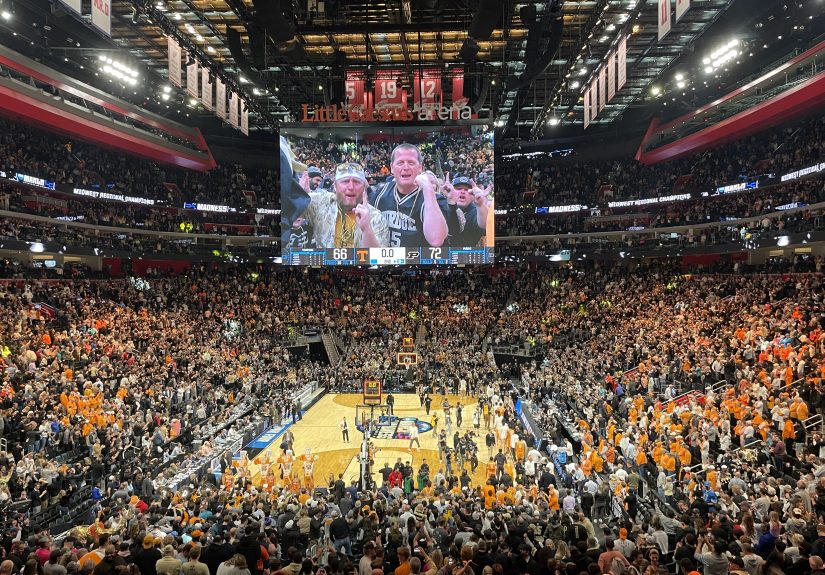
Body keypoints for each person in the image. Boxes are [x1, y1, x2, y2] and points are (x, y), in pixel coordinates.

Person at [369, 143, 449, 248]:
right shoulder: (380, 193)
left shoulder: (435, 200)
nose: (405, 167)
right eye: (400, 163)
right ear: (392, 168)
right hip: (386, 261)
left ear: (420, 167)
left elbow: (436, 240)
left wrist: (428, 190)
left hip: (418, 262)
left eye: (411, 163)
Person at [296, 163, 389, 249]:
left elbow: (379, 260)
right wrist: (298, 200)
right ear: (335, 186)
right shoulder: (320, 202)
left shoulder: (376, 218)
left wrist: (366, 229)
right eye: (345, 181)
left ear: (364, 188)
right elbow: (288, 214)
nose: (351, 187)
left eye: (356, 182)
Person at [443, 175, 491, 247]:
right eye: (458, 188)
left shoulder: (475, 212)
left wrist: (481, 205)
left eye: (466, 190)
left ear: (472, 196)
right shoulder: (441, 207)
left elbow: (484, 225)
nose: (462, 192)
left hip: (466, 255)